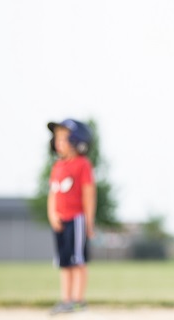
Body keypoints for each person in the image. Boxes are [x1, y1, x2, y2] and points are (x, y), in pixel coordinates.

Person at [46, 119, 96, 315]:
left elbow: (89, 194)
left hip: (77, 219)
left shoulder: (82, 165)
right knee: (64, 262)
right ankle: (66, 299)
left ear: (77, 141)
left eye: (63, 138)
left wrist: (89, 222)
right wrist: (52, 214)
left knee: (77, 261)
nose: (58, 142)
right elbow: (53, 193)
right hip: (60, 220)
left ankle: (78, 299)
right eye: (56, 138)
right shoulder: (57, 166)